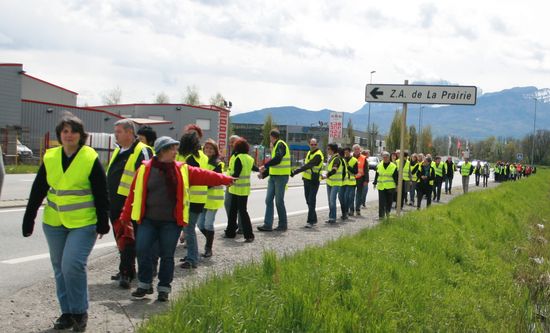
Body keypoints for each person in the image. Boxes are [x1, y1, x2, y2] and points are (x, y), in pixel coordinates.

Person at [119, 136, 233, 302]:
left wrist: (225, 179)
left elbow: (205, 175)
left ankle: (164, 288)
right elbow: (132, 195)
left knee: (167, 255)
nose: (175, 152)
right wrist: (125, 216)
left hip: (171, 222)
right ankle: (144, 284)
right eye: (172, 149)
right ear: (161, 151)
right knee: (142, 250)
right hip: (147, 220)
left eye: (175, 148)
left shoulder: (182, 169)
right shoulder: (145, 169)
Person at [23, 113, 109, 331]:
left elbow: (101, 193)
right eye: (65, 131)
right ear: (60, 135)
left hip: (83, 223)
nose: (69, 135)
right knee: (60, 268)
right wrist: (29, 217)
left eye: (73, 131)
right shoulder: (50, 157)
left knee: (72, 265)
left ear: (81, 135)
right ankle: (67, 313)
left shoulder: (89, 157)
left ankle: (80, 312)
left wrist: (103, 221)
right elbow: (38, 189)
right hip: (54, 222)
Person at [107, 119, 153, 288]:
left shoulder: (143, 150)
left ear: (129, 132)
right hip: (115, 203)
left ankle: (128, 273)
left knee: (131, 239)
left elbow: (149, 176)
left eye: (118, 131)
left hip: (132, 205)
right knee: (121, 239)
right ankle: (127, 269)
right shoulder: (118, 151)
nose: (115, 135)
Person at [178, 132, 209, 269]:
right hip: (200, 197)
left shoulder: (190, 158)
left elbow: (188, 179)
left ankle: (192, 258)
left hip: (191, 198)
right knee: (190, 228)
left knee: (189, 229)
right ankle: (192, 255)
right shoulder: (202, 156)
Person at [257, 129, 291, 232]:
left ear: (272, 136)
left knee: (279, 201)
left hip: (281, 177)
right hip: (273, 177)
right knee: (268, 200)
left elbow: (277, 159)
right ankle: (267, 225)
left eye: (269, 137)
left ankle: (283, 224)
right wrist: (264, 175)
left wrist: (264, 166)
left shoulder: (280, 144)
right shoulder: (276, 146)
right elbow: (274, 166)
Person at [225, 138, 258, 241]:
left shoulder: (238, 158)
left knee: (233, 211)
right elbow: (254, 168)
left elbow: (236, 174)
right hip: (244, 190)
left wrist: (228, 180)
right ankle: (248, 235)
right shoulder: (249, 158)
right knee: (243, 212)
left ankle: (232, 233)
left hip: (235, 188)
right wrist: (261, 170)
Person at [197, 139, 225, 257]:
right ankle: (210, 240)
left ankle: (208, 248)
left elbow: (213, 181)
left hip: (213, 199)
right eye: (206, 148)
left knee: (208, 224)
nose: (208, 150)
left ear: (215, 151)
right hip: (202, 198)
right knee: (200, 224)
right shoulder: (201, 161)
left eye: (211, 148)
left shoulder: (218, 164)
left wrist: (199, 184)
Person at [290, 138, 324, 228]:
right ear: (309, 144)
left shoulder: (318, 155)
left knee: (311, 200)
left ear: (317, 144)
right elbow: (306, 165)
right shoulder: (309, 152)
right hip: (306, 179)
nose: (313, 146)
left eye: (315, 144)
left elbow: (309, 165)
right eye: (312, 144)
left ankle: (310, 221)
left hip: (314, 180)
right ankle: (314, 218)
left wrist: (295, 171)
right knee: (308, 200)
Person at [224, 135, 243, 233]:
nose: (231, 144)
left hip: (238, 184)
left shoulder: (242, 153)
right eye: (230, 142)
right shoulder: (233, 153)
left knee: (240, 207)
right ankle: (233, 224)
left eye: (233, 141)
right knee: (227, 203)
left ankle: (241, 227)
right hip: (231, 182)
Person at [373, 151, 397, 219]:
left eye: (386, 157)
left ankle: (388, 213)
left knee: (389, 202)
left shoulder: (393, 166)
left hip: (390, 186)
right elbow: (377, 174)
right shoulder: (379, 165)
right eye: (383, 157)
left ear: (389, 158)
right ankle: (381, 216)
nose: (385, 158)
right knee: (381, 202)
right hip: (381, 186)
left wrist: (397, 185)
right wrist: (375, 182)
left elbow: (396, 176)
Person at [322, 143, 342, 224]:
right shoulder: (331, 158)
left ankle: (333, 218)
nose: (327, 150)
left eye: (328, 149)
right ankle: (331, 217)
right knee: (330, 201)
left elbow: (334, 170)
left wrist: (326, 175)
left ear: (332, 150)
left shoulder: (337, 159)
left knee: (332, 200)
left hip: (336, 183)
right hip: (329, 182)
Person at [353, 145, 368, 215]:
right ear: (353, 150)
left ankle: (357, 209)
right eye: (355, 149)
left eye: (358, 149)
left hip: (360, 178)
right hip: (351, 179)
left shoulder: (363, 158)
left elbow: (366, 170)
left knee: (358, 195)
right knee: (351, 195)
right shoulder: (350, 157)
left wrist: (366, 180)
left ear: (360, 150)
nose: (356, 150)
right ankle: (351, 209)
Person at [343, 147, 357, 219]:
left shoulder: (354, 160)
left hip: (352, 182)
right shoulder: (343, 159)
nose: (346, 153)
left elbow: (355, 171)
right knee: (345, 197)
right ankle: (345, 211)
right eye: (345, 152)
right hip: (344, 182)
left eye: (347, 152)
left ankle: (351, 210)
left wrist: (348, 167)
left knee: (351, 197)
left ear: (350, 152)